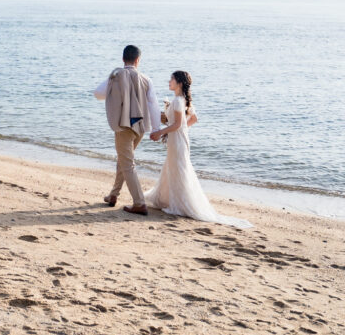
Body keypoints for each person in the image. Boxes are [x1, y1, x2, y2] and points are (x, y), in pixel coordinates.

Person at [145, 71, 252, 228]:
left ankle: (180, 204)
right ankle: (169, 199)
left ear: (179, 83)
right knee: (174, 168)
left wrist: (160, 132)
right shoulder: (182, 100)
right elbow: (193, 119)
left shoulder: (177, 101)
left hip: (178, 141)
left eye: (172, 79)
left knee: (178, 170)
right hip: (180, 139)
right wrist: (181, 131)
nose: (169, 82)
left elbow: (177, 124)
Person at [93, 45, 162, 215]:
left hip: (124, 126)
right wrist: (156, 128)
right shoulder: (146, 79)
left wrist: (115, 93)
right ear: (138, 60)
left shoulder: (116, 76)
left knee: (127, 163)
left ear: (123, 59)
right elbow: (153, 105)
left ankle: (139, 203)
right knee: (124, 160)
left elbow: (98, 94)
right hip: (140, 127)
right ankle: (113, 195)